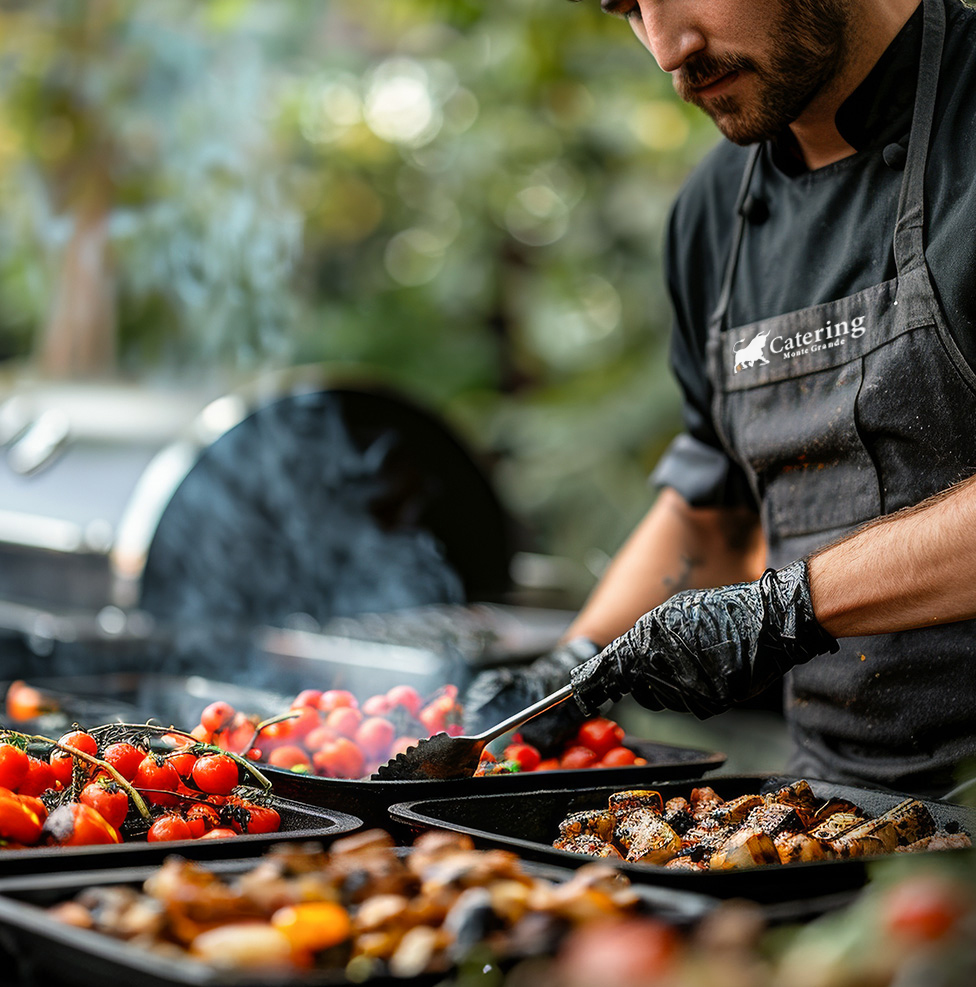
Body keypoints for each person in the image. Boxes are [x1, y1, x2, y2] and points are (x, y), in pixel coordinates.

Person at [464, 0, 976, 798]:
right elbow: (712, 511)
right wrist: (568, 670)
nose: (669, 48)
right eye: (626, 6)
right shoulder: (713, 211)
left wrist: (787, 608)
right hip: (834, 814)